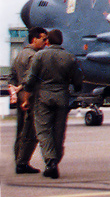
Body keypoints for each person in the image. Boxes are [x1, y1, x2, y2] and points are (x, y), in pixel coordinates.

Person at [24, 29, 83, 179]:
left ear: (48, 41)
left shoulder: (39, 56)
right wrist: (74, 88)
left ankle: (50, 161)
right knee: (59, 131)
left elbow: (30, 79)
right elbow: (78, 82)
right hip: (62, 97)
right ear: (61, 41)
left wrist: (27, 95)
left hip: (43, 97)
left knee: (43, 130)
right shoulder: (69, 57)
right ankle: (55, 160)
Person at [10, 27, 47, 174]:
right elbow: (30, 78)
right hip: (30, 97)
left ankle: (18, 160)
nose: (45, 42)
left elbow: (12, 76)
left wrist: (15, 90)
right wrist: (23, 90)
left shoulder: (20, 54)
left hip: (20, 97)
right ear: (34, 39)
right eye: (43, 39)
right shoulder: (34, 57)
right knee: (31, 132)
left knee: (20, 131)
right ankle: (22, 162)